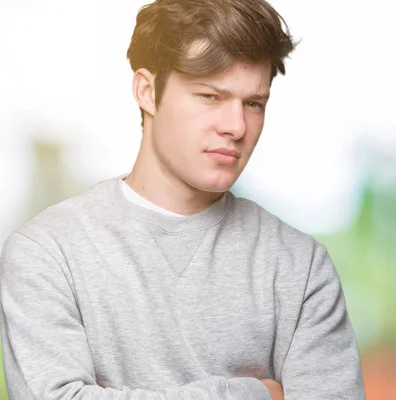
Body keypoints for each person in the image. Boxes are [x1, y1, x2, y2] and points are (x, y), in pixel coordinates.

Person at [0, 0, 366, 399]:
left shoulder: (300, 267)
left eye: (253, 104)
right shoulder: (48, 253)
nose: (236, 126)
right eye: (210, 96)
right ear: (146, 91)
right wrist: (250, 394)